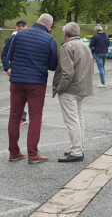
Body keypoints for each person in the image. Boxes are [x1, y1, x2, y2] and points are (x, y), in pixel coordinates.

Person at [7, 14, 58, 164]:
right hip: (36, 83)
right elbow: (53, 65)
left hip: (16, 81)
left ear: (37, 21)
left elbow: (10, 55)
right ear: (49, 26)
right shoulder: (50, 40)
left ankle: (14, 152)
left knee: (14, 115)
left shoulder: (19, 34)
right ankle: (33, 153)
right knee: (35, 117)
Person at [53, 22, 94, 163]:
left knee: (71, 120)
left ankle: (76, 151)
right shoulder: (85, 45)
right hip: (83, 87)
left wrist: (60, 88)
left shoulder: (67, 47)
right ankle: (78, 147)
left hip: (70, 89)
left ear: (65, 34)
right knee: (79, 117)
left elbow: (67, 72)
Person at [2, 19, 29, 126]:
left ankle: (36, 117)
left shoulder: (32, 38)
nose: (21, 27)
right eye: (19, 25)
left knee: (31, 95)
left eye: (23, 25)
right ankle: (21, 116)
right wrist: (7, 68)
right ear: (16, 27)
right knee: (18, 96)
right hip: (17, 71)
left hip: (30, 71)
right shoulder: (10, 40)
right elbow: (4, 55)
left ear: (27, 26)